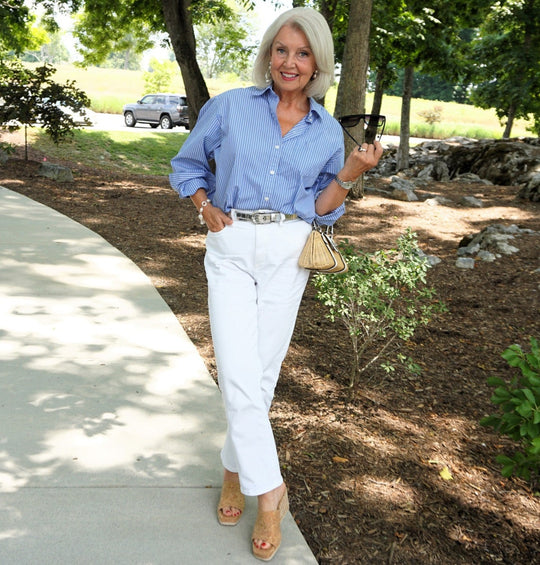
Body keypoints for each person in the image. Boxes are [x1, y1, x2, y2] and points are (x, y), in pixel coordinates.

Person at [169, 6, 383, 561]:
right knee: (239, 372)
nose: (290, 62)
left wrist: (350, 176)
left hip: (290, 250)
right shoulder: (231, 107)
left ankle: (234, 473)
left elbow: (321, 208)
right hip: (233, 245)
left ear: (318, 64)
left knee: (259, 379)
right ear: (269, 54)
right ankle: (272, 492)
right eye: (282, 50)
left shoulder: (327, 132)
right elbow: (186, 164)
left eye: (303, 53)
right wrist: (204, 206)